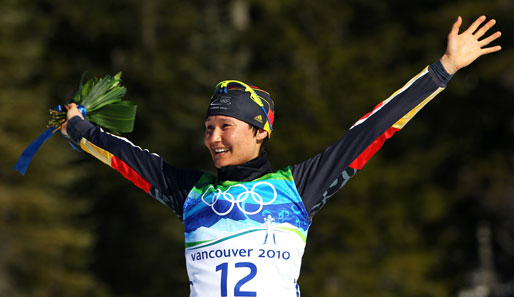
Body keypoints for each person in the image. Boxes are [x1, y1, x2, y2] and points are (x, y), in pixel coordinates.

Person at [62, 16, 501, 297]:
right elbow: (127, 157)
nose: (213, 138)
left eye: (225, 127)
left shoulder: (297, 187)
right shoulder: (190, 191)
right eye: (208, 128)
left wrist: (442, 70)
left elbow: (372, 129)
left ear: (259, 132)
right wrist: (78, 128)